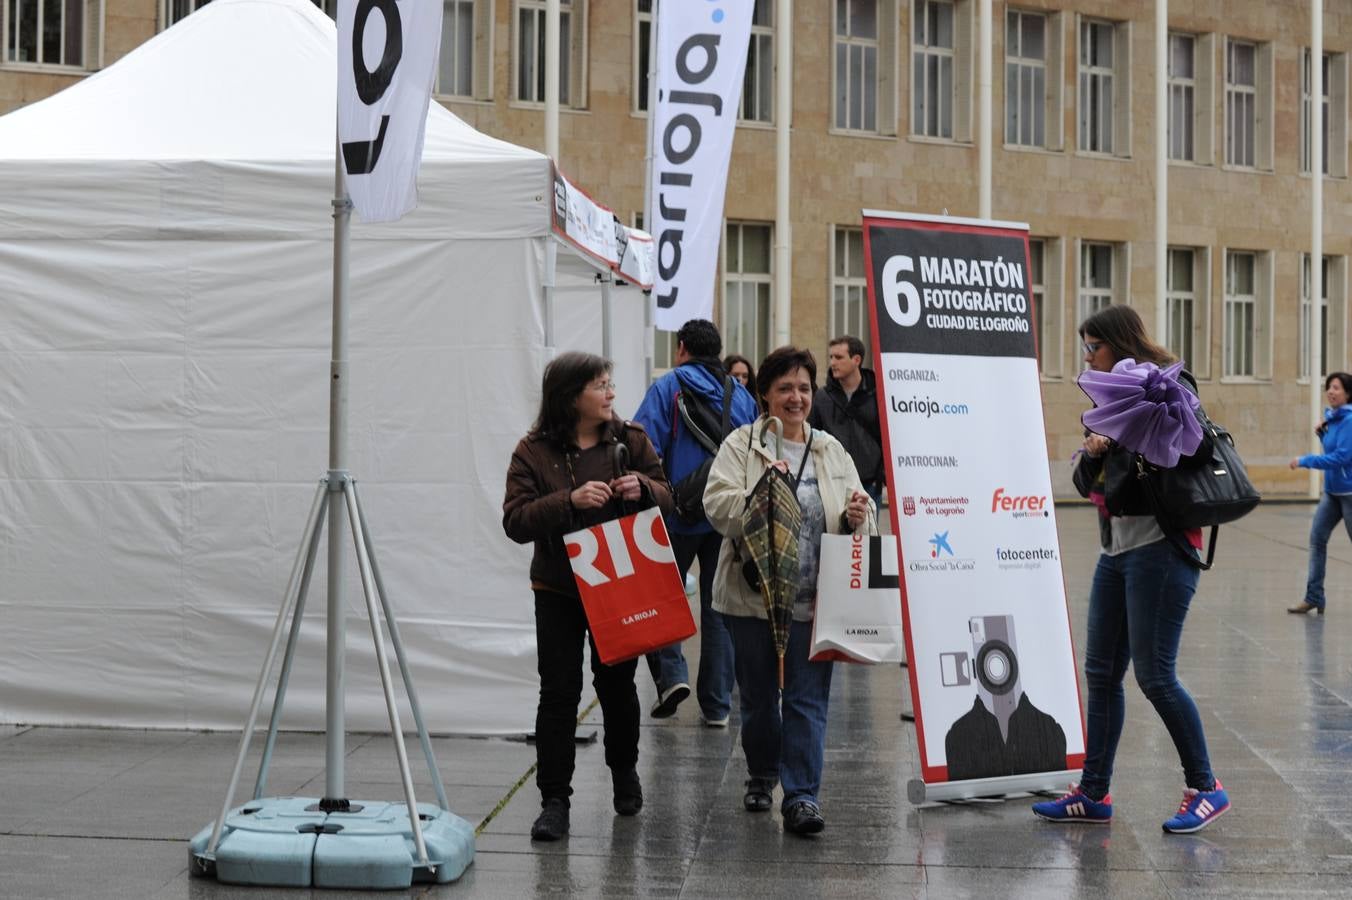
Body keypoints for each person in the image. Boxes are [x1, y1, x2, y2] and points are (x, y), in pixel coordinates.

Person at [1032, 305, 1230, 834]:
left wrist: (1134, 431)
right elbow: (1084, 483)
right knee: (1101, 675)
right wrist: (1098, 447)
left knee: (1155, 675)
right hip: (1117, 552)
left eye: (1093, 346)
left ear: (1118, 343)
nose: (1088, 357)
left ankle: (1206, 788)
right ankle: (1093, 792)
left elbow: (1188, 451)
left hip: (1161, 551)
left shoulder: (1169, 386)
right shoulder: (1110, 401)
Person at [502, 352, 673, 842]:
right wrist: (567, 502)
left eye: (609, 384)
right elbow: (514, 520)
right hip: (556, 587)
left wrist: (641, 486)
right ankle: (555, 800)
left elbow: (668, 496)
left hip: (617, 583)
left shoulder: (630, 440)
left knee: (617, 687)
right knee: (558, 692)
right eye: (600, 385)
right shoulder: (532, 451)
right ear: (571, 396)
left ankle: (625, 773)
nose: (610, 393)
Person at [703, 346, 874, 836]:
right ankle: (762, 772)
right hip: (752, 600)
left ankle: (801, 797)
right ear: (765, 395)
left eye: (803, 388)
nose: (796, 398)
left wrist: (860, 516)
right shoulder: (742, 444)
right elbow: (717, 506)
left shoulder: (829, 449)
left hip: (815, 601)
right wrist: (760, 495)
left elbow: (855, 510)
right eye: (784, 389)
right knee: (758, 701)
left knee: (806, 701)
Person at [632, 320, 758, 725]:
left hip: (675, 510)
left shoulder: (667, 388)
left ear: (681, 347)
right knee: (718, 606)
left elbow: (642, 443)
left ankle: (672, 676)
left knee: (660, 594)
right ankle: (718, 705)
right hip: (724, 514)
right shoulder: (739, 394)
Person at [1287, 372, 1352, 615]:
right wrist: (1323, 434)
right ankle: (1314, 597)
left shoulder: (1349, 420)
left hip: (1350, 492)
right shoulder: (1332, 419)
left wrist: (1305, 460)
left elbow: (1341, 457)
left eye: (1336, 388)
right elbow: (1334, 449)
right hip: (1333, 493)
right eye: (1329, 387)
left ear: (1347, 393)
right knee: (1317, 541)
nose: (1331, 392)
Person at [808, 336, 885, 510]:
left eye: (839, 357)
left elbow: (888, 438)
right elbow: (811, 438)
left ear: (856, 360)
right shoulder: (821, 397)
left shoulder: (878, 394)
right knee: (834, 536)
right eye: (831, 357)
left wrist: (880, 475)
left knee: (867, 535)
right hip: (832, 483)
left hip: (869, 486)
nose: (833, 363)